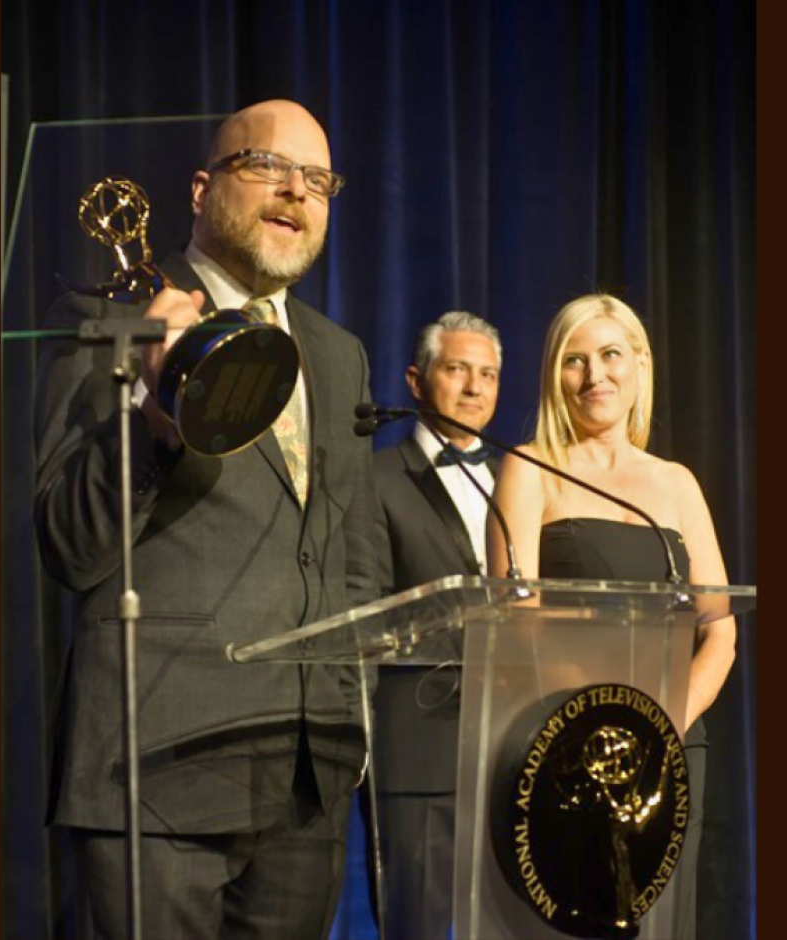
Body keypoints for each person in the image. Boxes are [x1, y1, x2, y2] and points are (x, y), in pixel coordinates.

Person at [34, 99, 379, 940]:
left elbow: (351, 555)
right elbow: (68, 544)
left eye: (318, 180)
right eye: (267, 167)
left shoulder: (338, 355)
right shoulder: (114, 322)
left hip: (305, 782)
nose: (296, 193)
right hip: (156, 769)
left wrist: (347, 704)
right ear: (201, 188)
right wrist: (156, 411)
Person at [487, 293, 736, 940]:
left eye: (610, 355)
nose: (594, 375)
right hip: (568, 747)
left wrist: (660, 724)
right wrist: (606, 722)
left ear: (640, 367)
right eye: (574, 360)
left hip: (672, 744)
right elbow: (520, 622)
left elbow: (720, 630)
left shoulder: (677, 482)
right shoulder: (529, 468)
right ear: (553, 375)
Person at [368, 312, 502, 939]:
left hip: (515, 742)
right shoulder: (373, 480)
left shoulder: (527, 479)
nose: (475, 388)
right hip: (420, 744)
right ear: (417, 381)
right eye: (457, 370)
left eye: (489, 375)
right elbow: (365, 611)